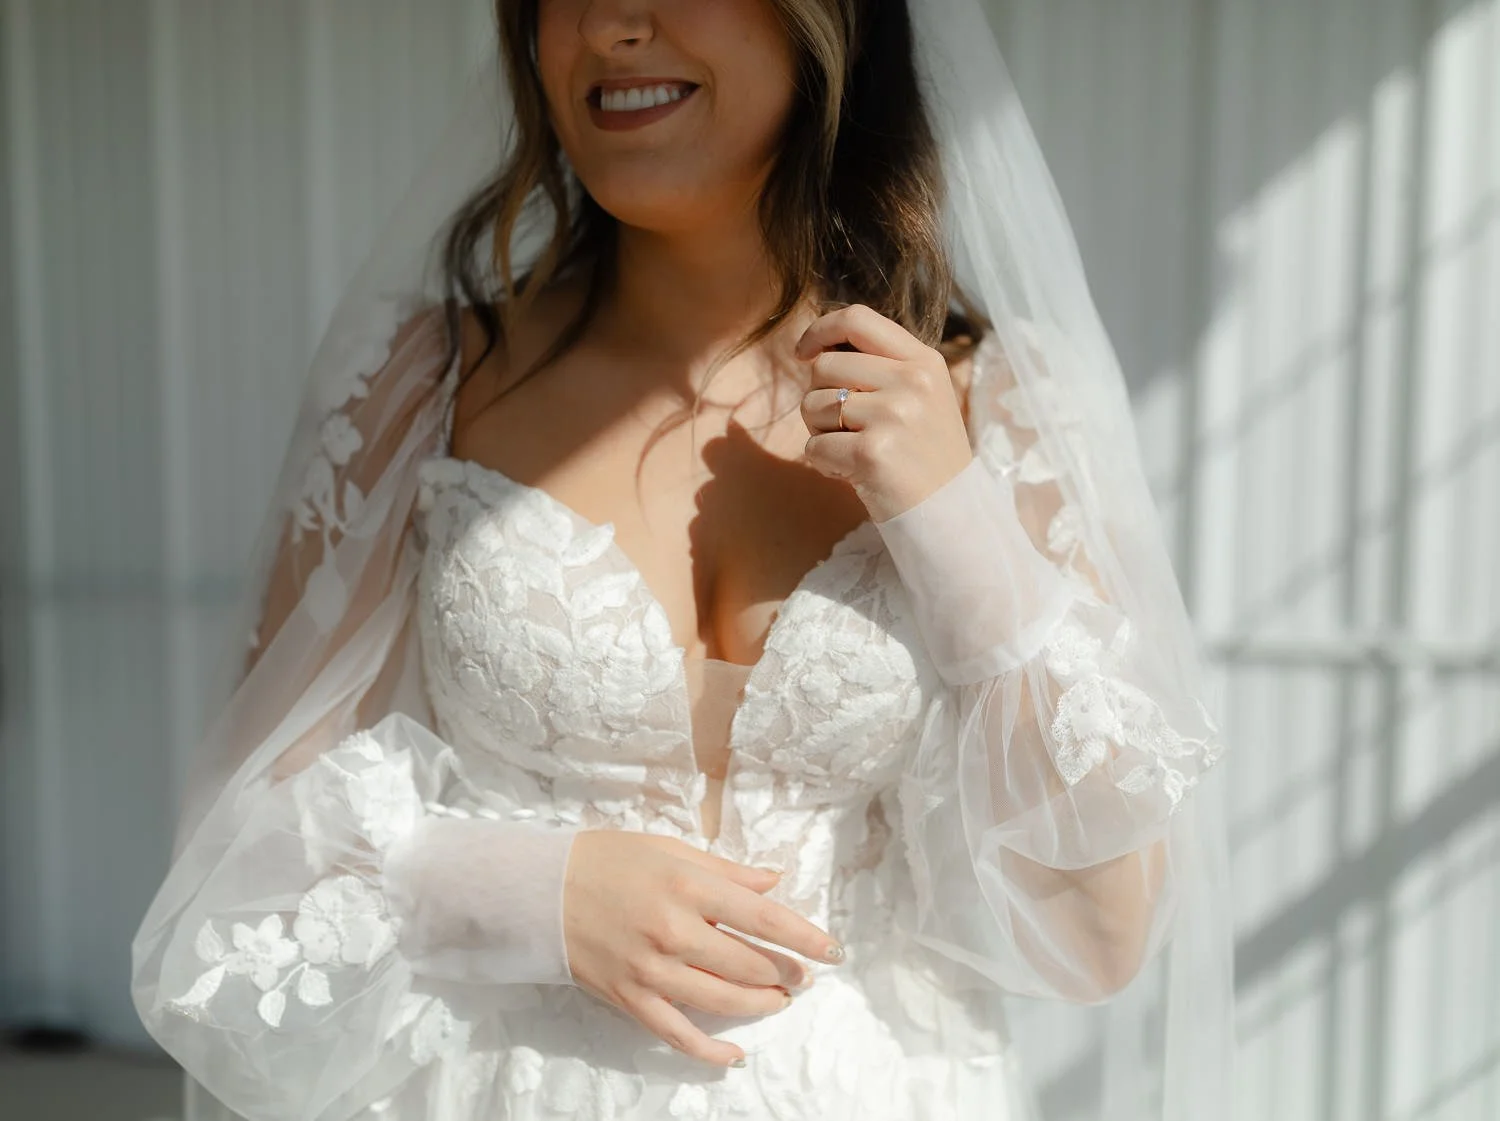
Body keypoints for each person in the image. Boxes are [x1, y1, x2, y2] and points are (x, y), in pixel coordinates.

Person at [131, 1, 1235, 1119]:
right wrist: (534, 894)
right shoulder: (423, 384)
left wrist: (952, 510)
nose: (610, 24)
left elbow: (1102, 935)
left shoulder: (996, 405)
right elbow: (234, 878)